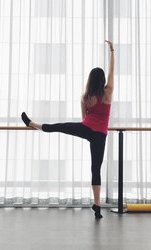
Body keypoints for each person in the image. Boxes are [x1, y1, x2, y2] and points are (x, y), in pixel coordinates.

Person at [21, 40, 114, 219]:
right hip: (100, 136)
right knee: (96, 169)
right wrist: (112, 51)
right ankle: (97, 206)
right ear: (101, 80)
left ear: (90, 80)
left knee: (59, 127)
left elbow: (83, 119)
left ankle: (33, 124)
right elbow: (112, 73)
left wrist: (88, 126)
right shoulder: (108, 93)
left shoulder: (85, 97)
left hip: (86, 129)